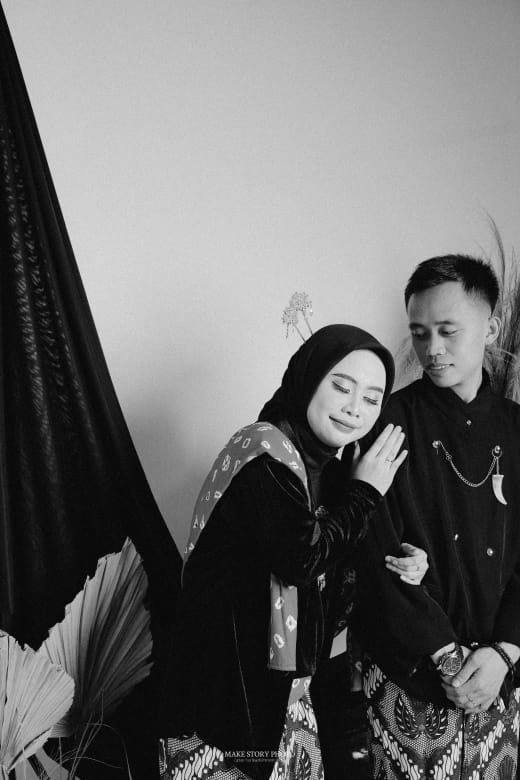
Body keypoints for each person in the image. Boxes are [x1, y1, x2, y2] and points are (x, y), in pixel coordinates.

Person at [159, 324, 427, 780]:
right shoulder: (262, 454)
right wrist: (365, 493)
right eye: (341, 386)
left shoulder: (329, 470)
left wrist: (407, 560)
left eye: (371, 398)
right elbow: (302, 558)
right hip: (221, 702)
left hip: (285, 698)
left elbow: (344, 565)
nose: (354, 408)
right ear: (308, 378)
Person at [352, 255, 520, 779]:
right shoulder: (386, 422)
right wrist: (449, 660)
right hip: (410, 676)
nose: (432, 349)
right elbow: (373, 554)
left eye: (448, 331)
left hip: (500, 677)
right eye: (420, 333)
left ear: (491, 327)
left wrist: (504, 653)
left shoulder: (517, 428)